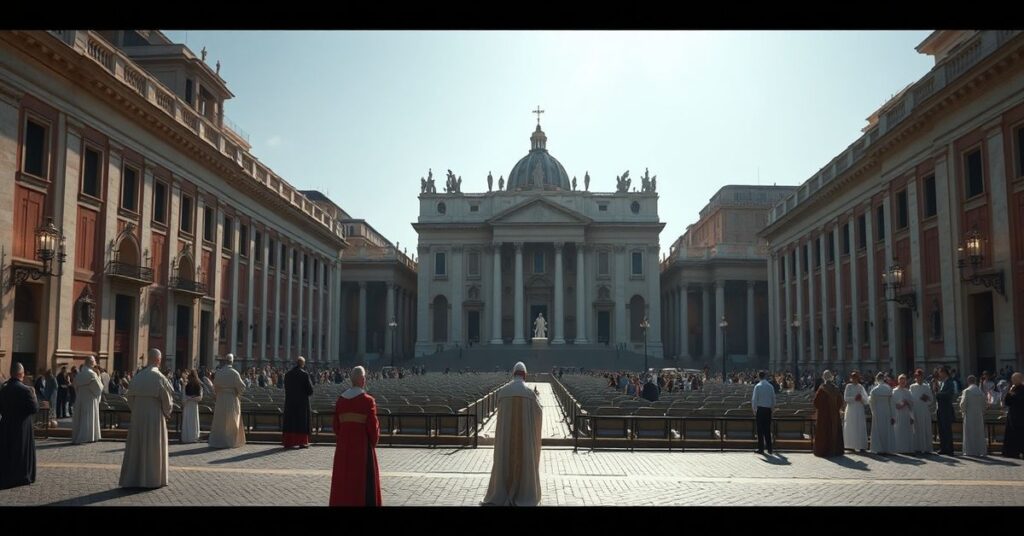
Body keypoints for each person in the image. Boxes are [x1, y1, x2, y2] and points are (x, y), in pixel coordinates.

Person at [482, 361, 542, 506]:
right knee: (525, 460)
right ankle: (523, 493)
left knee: (504, 460)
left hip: (506, 439)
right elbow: (538, 414)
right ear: (525, 375)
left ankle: (501, 492)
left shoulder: (503, 392)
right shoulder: (530, 393)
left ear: (513, 374)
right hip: (524, 441)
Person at [119, 349, 174, 489]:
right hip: (155, 416)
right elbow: (167, 402)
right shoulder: (160, 378)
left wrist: (136, 410)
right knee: (153, 447)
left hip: (138, 416)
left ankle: (134, 477)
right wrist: (167, 413)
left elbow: (129, 398)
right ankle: (152, 478)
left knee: (137, 447)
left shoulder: (138, 377)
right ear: (158, 360)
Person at [329, 366, 381, 506]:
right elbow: (373, 428)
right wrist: (373, 442)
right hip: (362, 449)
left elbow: (336, 427)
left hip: (343, 449)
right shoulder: (368, 401)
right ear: (363, 380)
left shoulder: (341, 400)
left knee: (343, 481)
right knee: (362, 485)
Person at [0, 362, 38, 490]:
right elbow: (34, 409)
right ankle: (21, 476)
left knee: (8, 451)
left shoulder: (4, 389)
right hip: (22, 427)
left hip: (6, 426)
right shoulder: (26, 390)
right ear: (21, 374)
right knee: (21, 451)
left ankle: (7, 475)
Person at [208, 354, 246, 449]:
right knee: (231, 420)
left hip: (221, 399)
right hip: (231, 398)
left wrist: (218, 394)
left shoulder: (219, 372)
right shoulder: (234, 373)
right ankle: (230, 441)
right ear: (232, 362)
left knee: (220, 420)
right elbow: (242, 387)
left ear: (225, 361)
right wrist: (237, 392)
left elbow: (215, 387)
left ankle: (219, 440)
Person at [283, 356, 314, 449]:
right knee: (301, 422)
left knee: (290, 422)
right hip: (302, 403)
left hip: (290, 402)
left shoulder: (287, 374)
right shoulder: (304, 375)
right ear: (303, 364)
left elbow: (286, 388)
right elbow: (310, 391)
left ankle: (289, 442)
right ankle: (301, 442)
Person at [71, 355, 103, 444]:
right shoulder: (92, 374)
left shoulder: (80, 374)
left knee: (81, 418)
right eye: (94, 361)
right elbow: (99, 388)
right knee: (89, 417)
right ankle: (88, 436)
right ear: (92, 362)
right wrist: (99, 376)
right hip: (90, 399)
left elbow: (75, 387)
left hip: (81, 399)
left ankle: (80, 436)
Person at [812, 370, 844, 457]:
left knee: (824, 431)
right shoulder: (836, 389)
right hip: (834, 415)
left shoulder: (822, 389)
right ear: (831, 377)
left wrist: (822, 409)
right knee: (834, 431)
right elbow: (840, 402)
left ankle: (824, 451)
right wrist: (835, 409)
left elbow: (816, 403)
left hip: (824, 416)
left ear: (823, 377)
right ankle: (835, 450)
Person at [959, 375, 986, 456]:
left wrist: (962, 411)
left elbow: (963, 404)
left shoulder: (967, 391)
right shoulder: (980, 392)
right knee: (979, 433)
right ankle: (980, 450)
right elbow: (984, 405)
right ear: (975, 381)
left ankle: (970, 451)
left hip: (969, 414)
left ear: (968, 382)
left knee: (969, 432)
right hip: (979, 415)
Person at [868, 372, 895, 454]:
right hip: (887, 410)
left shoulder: (874, 390)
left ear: (877, 379)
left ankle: (879, 448)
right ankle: (887, 448)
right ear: (884, 379)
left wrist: (873, 411)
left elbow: (871, 402)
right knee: (887, 429)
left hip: (877, 411)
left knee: (878, 429)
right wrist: (892, 414)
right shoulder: (888, 389)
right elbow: (892, 403)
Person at [909, 369, 934, 455]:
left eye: (920, 376)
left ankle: (925, 447)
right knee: (916, 428)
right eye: (917, 376)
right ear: (915, 377)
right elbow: (910, 399)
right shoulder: (912, 387)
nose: (919, 378)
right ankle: (917, 447)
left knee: (924, 428)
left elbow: (931, 400)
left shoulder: (926, 387)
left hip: (924, 410)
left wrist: (926, 399)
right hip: (915, 410)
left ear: (922, 377)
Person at [843, 371, 869, 452]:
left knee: (860, 425)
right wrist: (854, 398)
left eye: (856, 378)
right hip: (851, 409)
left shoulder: (861, 387)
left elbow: (866, 400)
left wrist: (861, 398)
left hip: (859, 408)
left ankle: (861, 445)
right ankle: (850, 445)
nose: (855, 379)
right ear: (851, 378)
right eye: (853, 378)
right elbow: (846, 398)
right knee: (851, 425)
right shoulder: (848, 386)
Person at [751, 370, 775, 455]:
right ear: (765, 376)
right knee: (767, 430)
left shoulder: (757, 386)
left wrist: (754, 410)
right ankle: (769, 448)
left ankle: (761, 449)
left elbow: (754, 399)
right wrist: (772, 409)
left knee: (760, 430)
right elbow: (773, 399)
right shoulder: (770, 386)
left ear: (758, 376)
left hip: (760, 410)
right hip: (768, 410)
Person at [1002, 372, 1024, 459]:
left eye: (1015, 379)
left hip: (1021, 417)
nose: (1013, 381)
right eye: (1012, 379)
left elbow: (1020, 400)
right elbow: (1007, 402)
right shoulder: (1013, 388)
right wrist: (1009, 393)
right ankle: (1011, 452)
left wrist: (1014, 395)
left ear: (1020, 379)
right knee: (1011, 435)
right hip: (1012, 416)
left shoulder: (1022, 388)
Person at [891, 374, 914, 454]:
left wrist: (907, 402)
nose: (903, 383)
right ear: (898, 381)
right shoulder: (894, 391)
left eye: (904, 381)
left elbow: (912, 404)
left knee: (906, 431)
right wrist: (897, 405)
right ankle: (898, 448)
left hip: (906, 414)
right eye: (901, 381)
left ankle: (906, 449)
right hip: (897, 414)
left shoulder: (908, 392)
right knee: (898, 430)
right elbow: (891, 403)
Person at [935, 365, 955, 455]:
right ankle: (943, 448)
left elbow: (949, 394)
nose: (939, 374)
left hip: (946, 409)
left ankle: (949, 449)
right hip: (941, 409)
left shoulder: (950, 382)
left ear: (944, 373)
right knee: (942, 429)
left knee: (947, 429)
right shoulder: (942, 383)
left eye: (940, 372)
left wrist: (938, 394)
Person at [181, 370, 203, 444]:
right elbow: (199, 397)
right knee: (192, 421)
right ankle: (192, 437)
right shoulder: (197, 385)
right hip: (192, 404)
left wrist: (189, 398)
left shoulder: (189, 385)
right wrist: (192, 398)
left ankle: (188, 437)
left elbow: (184, 398)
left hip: (189, 404)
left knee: (189, 421)